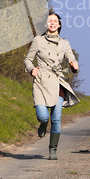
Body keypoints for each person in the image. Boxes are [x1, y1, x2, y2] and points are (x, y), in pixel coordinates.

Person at [24, 12, 79, 160]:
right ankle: (43, 123)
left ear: (59, 25)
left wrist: (74, 65)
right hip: (41, 80)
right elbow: (28, 59)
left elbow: (71, 57)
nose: (53, 23)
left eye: (55, 21)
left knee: (56, 118)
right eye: (50, 21)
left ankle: (52, 149)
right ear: (46, 24)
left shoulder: (64, 43)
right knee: (43, 116)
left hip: (58, 81)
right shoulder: (38, 41)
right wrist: (31, 69)